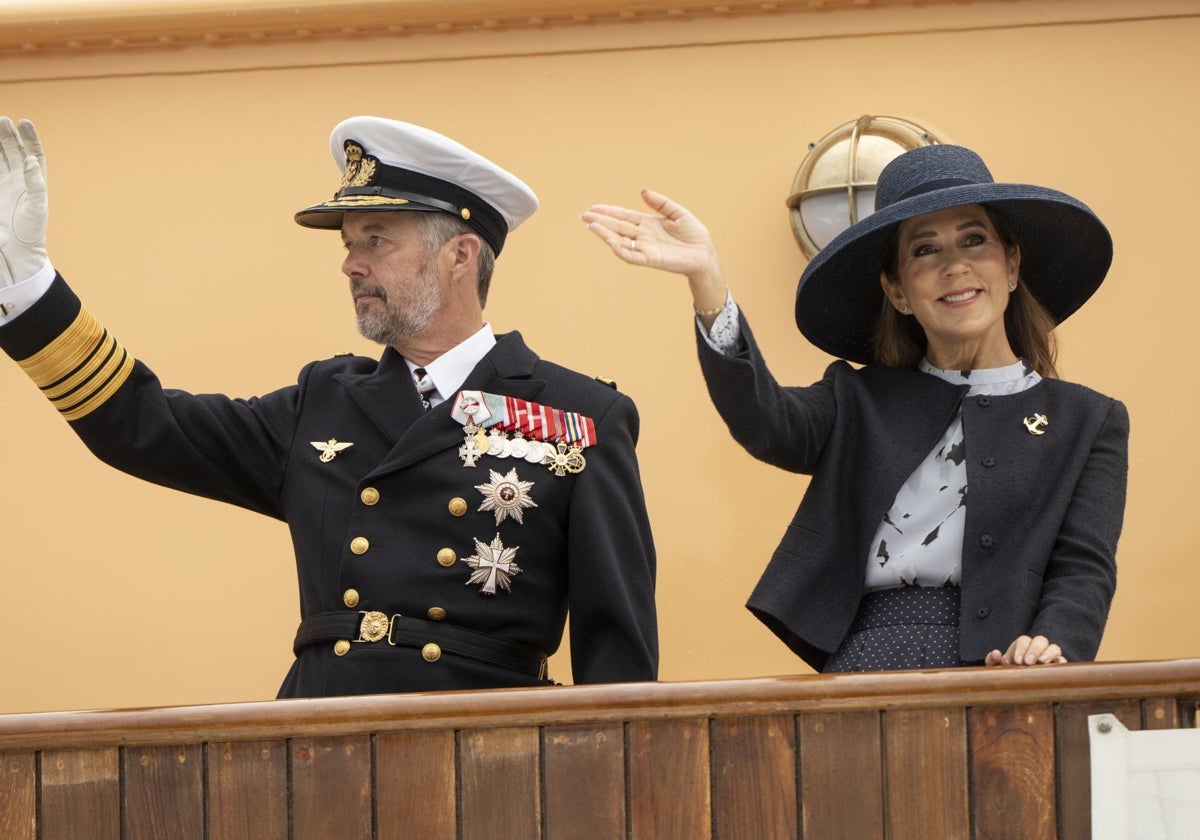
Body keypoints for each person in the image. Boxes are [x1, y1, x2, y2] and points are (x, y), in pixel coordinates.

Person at [0, 115, 658, 696]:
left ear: (460, 256)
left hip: (487, 761)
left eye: (376, 240)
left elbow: (617, 650)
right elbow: (145, 426)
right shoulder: (324, 402)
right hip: (320, 752)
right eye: (348, 243)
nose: (350, 264)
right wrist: (30, 289)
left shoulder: (579, 416)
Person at [582, 143, 1127, 672]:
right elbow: (766, 422)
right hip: (867, 661)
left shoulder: (1089, 420)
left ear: (1011, 265)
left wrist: (1051, 648)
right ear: (897, 292)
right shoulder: (857, 399)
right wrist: (707, 282)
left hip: (1007, 668)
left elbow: (1083, 567)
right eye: (924, 249)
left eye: (973, 239)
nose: (955, 266)